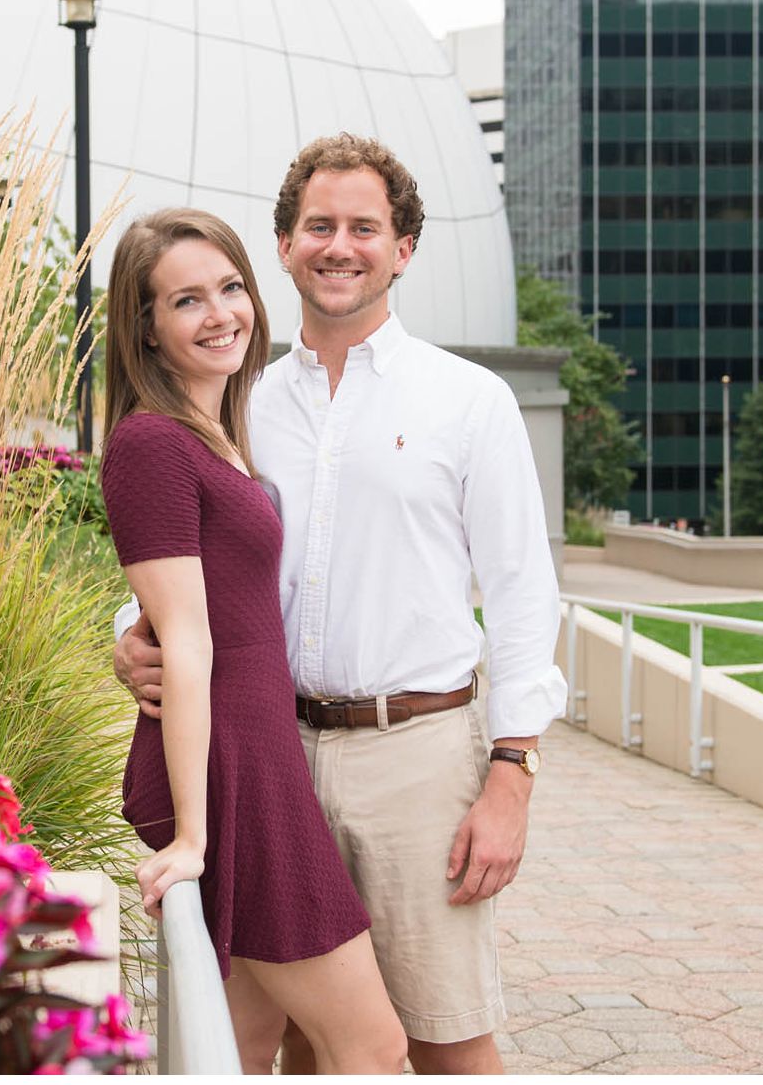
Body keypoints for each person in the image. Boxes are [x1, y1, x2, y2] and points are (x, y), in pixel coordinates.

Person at [114, 134, 565, 1074]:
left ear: (403, 249)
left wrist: (513, 771)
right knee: (300, 1050)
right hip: (265, 755)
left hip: (417, 760)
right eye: (318, 225)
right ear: (282, 245)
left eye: (366, 227)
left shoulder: (466, 401)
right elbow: (198, 561)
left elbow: (524, 594)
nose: (339, 245)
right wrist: (130, 635)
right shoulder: (244, 400)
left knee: (445, 1038)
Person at [98, 207, 408, 1074]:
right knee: (372, 1046)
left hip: (253, 757)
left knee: (240, 1044)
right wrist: (196, 837)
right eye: (186, 301)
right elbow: (189, 643)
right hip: (233, 776)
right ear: (147, 332)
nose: (221, 313)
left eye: (231, 287)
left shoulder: (219, 435)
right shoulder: (152, 446)